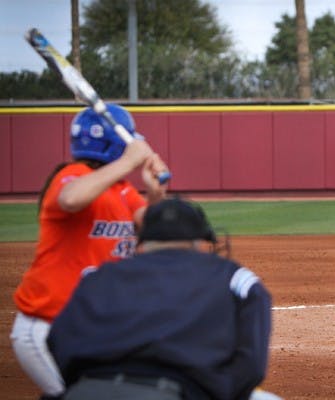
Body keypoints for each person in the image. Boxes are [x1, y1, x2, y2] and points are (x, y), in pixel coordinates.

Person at [11, 104, 168, 398]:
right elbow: (71, 199)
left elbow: (151, 229)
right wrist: (127, 161)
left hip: (88, 327)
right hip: (47, 327)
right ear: (115, 145)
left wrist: (156, 195)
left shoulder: (120, 189)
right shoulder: (71, 176)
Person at [46, 198, 273, 400]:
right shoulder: (232, 276)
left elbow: (57, 339)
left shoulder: (100, 276)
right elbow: (251, 365)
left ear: (143, 240)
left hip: (86, 391)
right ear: (197, 239)